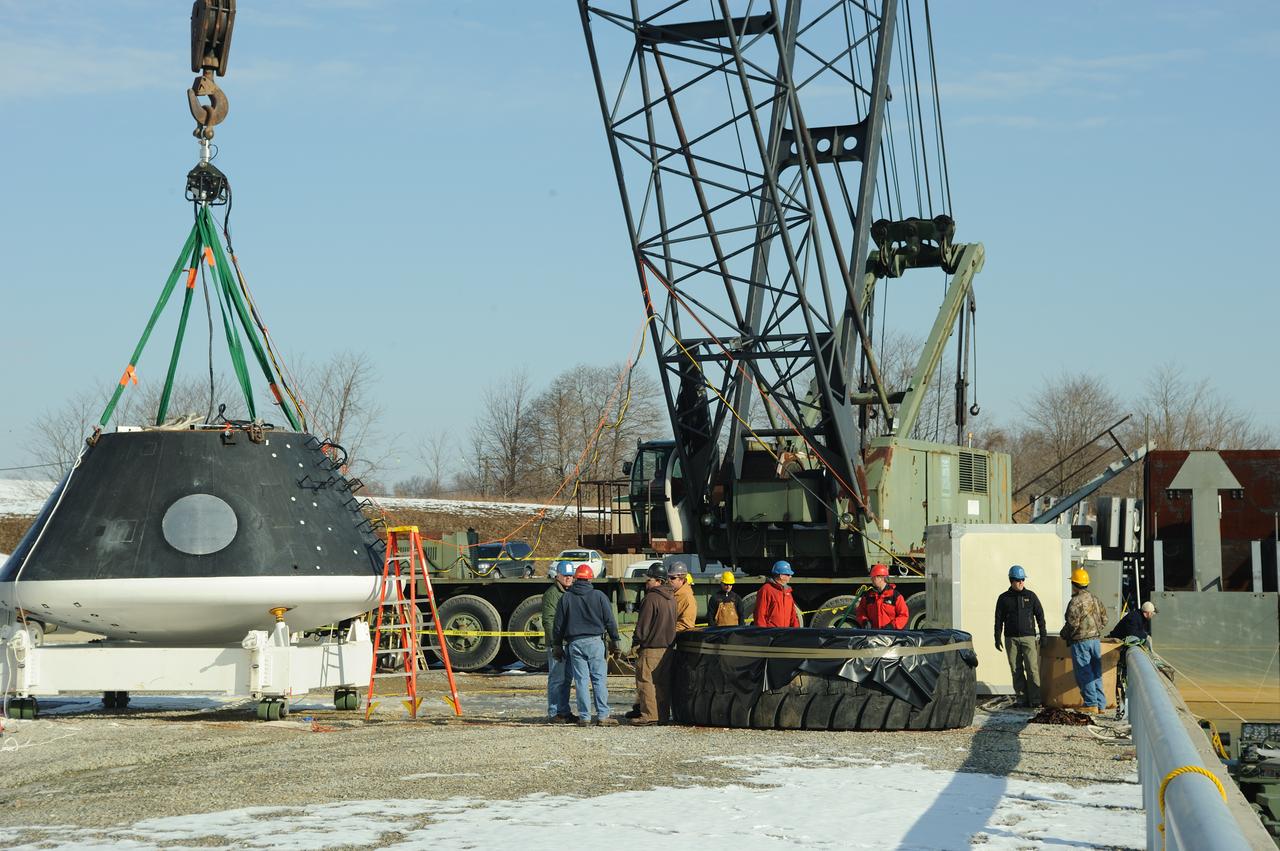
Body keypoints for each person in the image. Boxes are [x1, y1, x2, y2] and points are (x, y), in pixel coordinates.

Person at [552, 564, 623, 726]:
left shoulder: (567, 598)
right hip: (595, 642)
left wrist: (557, 645)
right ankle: (603, 716)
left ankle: (584, 717)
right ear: (590, 578)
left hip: (575, 643)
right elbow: (610, 621)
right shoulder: (599, 596)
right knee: (599, 680)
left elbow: (558, 625)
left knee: (581, 681)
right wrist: (615, 641)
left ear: (576, 578)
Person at [628, 564, 677, 725]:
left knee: (646, 682)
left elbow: (643, 627)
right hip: (668, 648)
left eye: (648, 579)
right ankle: (662, 715)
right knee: (662, 683)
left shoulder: (651, 599)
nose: (646, 583)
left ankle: (649, 715)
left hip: (651, 648)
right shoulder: (671, 599)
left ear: (657, 581)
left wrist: (636, 642)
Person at [993, 564, 1047, 708]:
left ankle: (1035, 700)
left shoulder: (1031, 596)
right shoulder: (1004, 598)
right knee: (1016, 669)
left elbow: (1040, 616)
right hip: (1011, 639)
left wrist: (1043, 635)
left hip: (1028, 638)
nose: (1021, 582)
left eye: (1023, 579)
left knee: (1032, 668)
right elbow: (998, 619)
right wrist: (997, 637)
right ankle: (1022, 698)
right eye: (1018, 580)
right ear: (1011, 580)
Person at [1061, 567, 1109, 714]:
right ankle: (1101, 705)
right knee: (1096, 672)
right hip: (1095, 640)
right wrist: (1095, 629)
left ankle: (1091, 703)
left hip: (1081, 641)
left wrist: (1064, 634)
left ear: (1074, 584)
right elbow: (1105, 619)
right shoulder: (1095, 599)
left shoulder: (1075, 602)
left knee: (1084, 672)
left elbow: (1072, 624)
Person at [542, 562, 577, 723]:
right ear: (557, 576)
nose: (569, 578)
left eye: (571, 576)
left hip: (569, 642)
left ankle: (564, 710)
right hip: (558, 643)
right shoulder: (552, 594)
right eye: (565, 576)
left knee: (567, 679)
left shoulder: (571, 592)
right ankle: (554, 712)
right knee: (556, 679)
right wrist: (555, 644)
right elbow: (548, 620)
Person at [846, 564, 908, 629]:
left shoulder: (895, 596)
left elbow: (903, 615)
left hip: (890, 635)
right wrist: (864, 621)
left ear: (881, 578)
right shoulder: (867, 596)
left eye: (873, 577)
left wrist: (892, 626)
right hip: (873, 634)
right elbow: (860, 612)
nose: (871, 579)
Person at [754, 560, 800, 628]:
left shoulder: (787, 591)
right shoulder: (766, 590)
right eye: (788, 574)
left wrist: (796, 631)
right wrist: (763, 635)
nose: (790, 576)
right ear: (781, 576)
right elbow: (760, 614)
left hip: (785, 633)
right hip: (771, 633)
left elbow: (793, 615)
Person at [668, 561, 697, 632]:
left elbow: (686, 625)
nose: (669, 580)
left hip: (675, 639)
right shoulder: (673, 594)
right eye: (668, 577)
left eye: (672, 578)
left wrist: (665, 632)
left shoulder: (687, 598)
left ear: (681, 579)